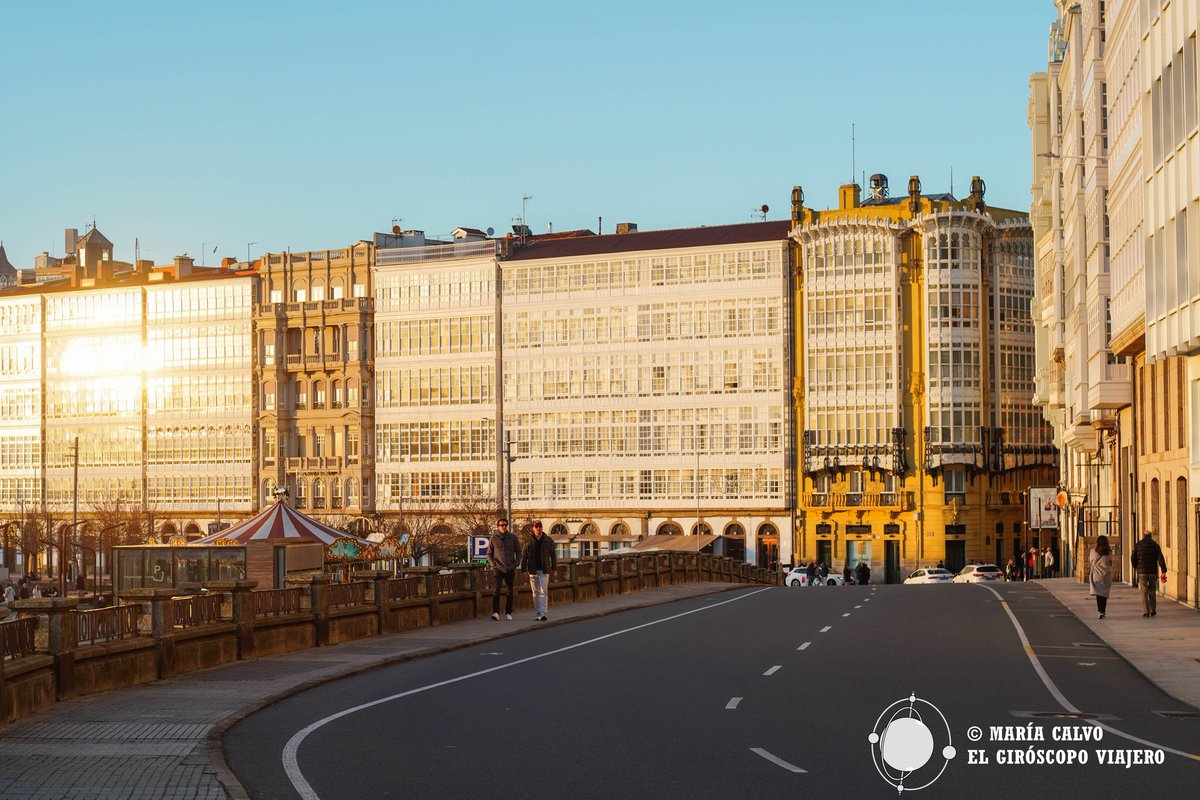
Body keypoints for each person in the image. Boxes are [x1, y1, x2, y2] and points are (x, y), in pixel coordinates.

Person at [520, 520, 556, 621]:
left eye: (540, 526)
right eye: (537, 526)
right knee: (535, 592)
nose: (539, 528)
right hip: (532, 570)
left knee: (544, 591)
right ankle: (538, 612)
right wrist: (523, 570)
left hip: (544, 570)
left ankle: (543, 612)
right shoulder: (528, 541)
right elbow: (524, 557)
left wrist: (554, 569)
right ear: (533, 528)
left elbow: (553, 555)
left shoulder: (548, 540)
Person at [486, 518, 521, 621]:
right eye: (502, 525)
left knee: (509, 591)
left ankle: (508, 613)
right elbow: (489, 553)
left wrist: (516, 564)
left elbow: (518, 552)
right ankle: (496, 612)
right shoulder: (493, 538)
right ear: (498, 527)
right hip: (498, 568)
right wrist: (493, 565)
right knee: (496, 590)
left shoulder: (513, 538)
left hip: (510, 568)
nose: (504, 527)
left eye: (505, 525)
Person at [1130, 530, 1167, 618]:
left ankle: (1146, 611)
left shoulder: (1138, 545)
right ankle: (1153, 610)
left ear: (1143, 536)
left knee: (1144, 592)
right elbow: (1160, 558)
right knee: (1152, 591)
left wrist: (1136, 567)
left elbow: (1133, 557)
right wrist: (1163, 570)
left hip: (1142, 572)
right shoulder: (1155, 545)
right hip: (1153, 572)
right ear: (1150, 536)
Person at [1088, 535, 1113, 619]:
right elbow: (1110, 562)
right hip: (1106, 575)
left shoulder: (1093, 552)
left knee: (1098, 594)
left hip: (1096, 575)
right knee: (1104, 594)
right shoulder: (1109, 553)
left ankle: (1100, 611)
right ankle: (1103, 611)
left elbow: (1091, 561)